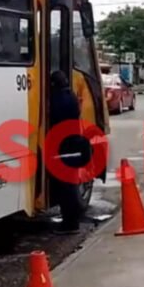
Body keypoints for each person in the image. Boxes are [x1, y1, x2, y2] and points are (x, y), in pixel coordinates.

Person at [49, 70, 86, 234]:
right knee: (70, 186)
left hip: (63, 148)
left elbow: (53, 119)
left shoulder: (57, 99)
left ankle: (70, 224)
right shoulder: (71, 96)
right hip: (73, 146)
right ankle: (72, 221)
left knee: (66, 190)